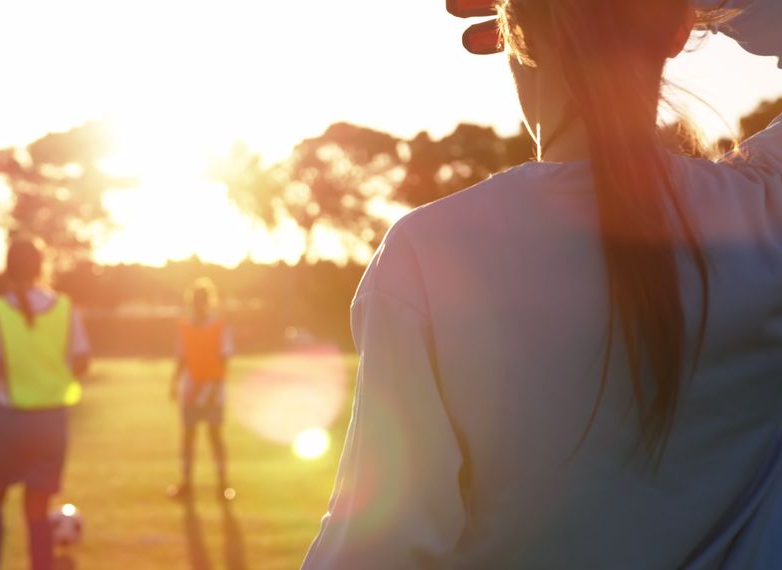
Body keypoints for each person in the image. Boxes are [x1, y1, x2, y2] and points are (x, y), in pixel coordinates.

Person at [302, 0, 782, 568]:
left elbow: (380, 545)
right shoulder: (764, 214)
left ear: (515, 31)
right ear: (679, 31)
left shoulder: (432, 253)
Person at [0, 237, 91, 570]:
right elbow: (81, 361)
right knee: (37, 510)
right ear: (42, 268)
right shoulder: (66, 309)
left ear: (7, 268)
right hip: (51, 422)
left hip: (6, 418)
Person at [168, 278, 235, 501]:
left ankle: (223, 484)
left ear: (209, 301)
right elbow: (181, 358)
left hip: (214, 390)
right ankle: (186, 483)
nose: (199, 304)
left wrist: (215, 388)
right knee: (188, 437)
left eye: (203, 300)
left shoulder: (219, 326)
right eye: (196, 300)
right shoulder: (184, 327)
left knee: (215, 436)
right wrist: (174, 383)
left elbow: (224, 358)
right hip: (191, 389)